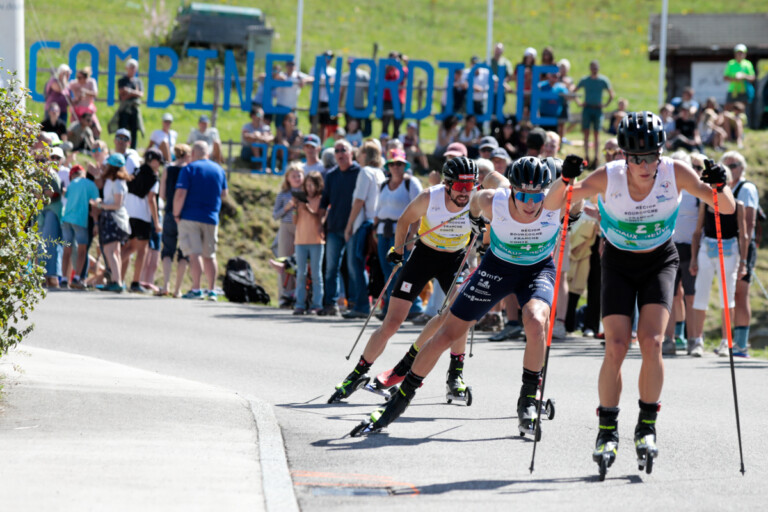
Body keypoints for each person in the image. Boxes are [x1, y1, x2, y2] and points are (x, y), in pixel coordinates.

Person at [543, 111, 735, 477]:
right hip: (617, 262)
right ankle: (606, 431)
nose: (644, 165)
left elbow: (726, 208)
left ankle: (646, 425)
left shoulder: (675, 172)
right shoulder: (609, 176)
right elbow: (555, 203)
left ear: (661, 153)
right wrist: (566, 178)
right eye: (636, 158)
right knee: (615, 346)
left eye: (651, 156)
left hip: (660, 261)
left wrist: (720, 185)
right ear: (625, 157)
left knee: (652, 341)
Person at [351, 157, 572, 436]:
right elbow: (483, 190)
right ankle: (398, 401)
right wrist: (475, 219)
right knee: (445, 333)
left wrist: (571, 195)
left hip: (536, 271)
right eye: (523, 195)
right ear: (513, 190)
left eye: (537, 196)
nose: (530, 204)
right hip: (496, 268)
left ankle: (528, 399)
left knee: (536, 320)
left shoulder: (556, 202)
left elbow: (580, 196)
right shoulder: (495, 199)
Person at [329, 157, 477, 405]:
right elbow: (404, 221)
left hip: (455, 259)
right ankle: (357, 373)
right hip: (424, 256)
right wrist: (398, 251)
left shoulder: (477, 198)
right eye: (460, 187)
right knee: (392, 322)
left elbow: (499, 191)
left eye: (470, 186)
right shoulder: (431, 197)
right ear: (448, 184)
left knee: (460, 312)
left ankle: (455, 377)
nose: (465, 193)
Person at [688, 165, 747, 358]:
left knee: (727, 295)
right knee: (701, 292)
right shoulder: (706, 203)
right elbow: (698, 231)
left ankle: (725, 341)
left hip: (729, 249)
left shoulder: (737, 205)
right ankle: (697, 340)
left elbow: (743, 235)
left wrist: (744, 261)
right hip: (708, 247)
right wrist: (693, 257)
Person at [173, 141, 228, 300]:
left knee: (194, 253)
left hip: (190, 216)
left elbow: (180, 194)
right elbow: (224, 194)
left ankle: (196, 288)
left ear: (193, 154)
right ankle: (212, 290)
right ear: (207, 153)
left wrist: (176, 214)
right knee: (210, 255)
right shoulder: (219, 170)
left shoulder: (189, 169)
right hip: (211, 217)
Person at [373, 148, 424, 317]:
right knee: (387, 271)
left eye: (399, 164)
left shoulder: (411, 183)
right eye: (393, 163)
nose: (396, 167)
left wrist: (412, 235)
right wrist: (374, 229)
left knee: (403, 271)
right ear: (388, 166)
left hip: (402, 234)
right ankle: (390, 308)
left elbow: (418, 211)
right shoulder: (383, 185)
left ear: (405, 165)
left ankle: (413, 306)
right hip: (383, 231)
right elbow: (378, 210)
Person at [340, 141, 386, 318]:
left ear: (365, 155)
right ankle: (366, 303)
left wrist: (349, 225)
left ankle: (361, 305)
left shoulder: (365, 172)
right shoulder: (380, 173)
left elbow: (359, 200)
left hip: (362, 224)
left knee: (355, 265)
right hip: (374, 223)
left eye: (359, 153)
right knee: (367, 266)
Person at [661, 151, 701, 355]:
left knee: (691, 296)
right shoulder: (665, 189)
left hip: (690, 249)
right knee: (670, 295)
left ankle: (694, 339)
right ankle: (670, 339)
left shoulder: (695, 191)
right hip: (669, 247)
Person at [318, 140, 361, 315]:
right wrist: (320, 224)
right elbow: (324, 202)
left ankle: (354, 303)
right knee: (331, 268)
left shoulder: (359, 172)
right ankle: (330, 304)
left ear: (351, 153)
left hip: (353, 228)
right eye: (336, 151)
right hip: (334, 228)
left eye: (343, 150)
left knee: (352, 267)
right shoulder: (331, 175)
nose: (340, 153)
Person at [723, 151, 759, 357]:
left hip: (743, 246)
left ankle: (742, 343)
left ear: (742, 167)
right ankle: (732, 339)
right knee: (731, 293)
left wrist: (744, 256)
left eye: (734, 165)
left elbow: (749, 222)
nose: (731, 169)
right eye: (727, 165)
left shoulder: (746, 189)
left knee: (741, 292)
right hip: (728, 245)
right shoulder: (727, 188)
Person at [121, 147, 162, 293]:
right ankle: (135, 281)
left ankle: (114, 273)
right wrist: (156, 222)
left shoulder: (137, 170)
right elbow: (151, 200)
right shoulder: (154, 177)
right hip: (142, 216)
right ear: (155, 161)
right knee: (141, 250)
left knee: (129, 247)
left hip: (128, 212)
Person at [92, 153, 132, 292]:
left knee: (110, 251)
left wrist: (100, 206)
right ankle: (117, 280)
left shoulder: (118, 182)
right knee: (115, 251)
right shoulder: (113, 181)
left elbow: (117, 204)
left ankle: (117, 281)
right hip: (113, 218)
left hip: (114, 219)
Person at [158, 144, 191, 297]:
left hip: (170, 212)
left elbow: (162, 194)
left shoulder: (168, 169)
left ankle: (165, 285)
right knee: (184, 253)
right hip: (186, 215)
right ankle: (177, 289)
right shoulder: (190, 170)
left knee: (167, 250)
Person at [60, 165, 100, 289]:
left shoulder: (72, 184)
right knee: (82, 250)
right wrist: (96, 222)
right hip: (80, 220)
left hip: (66, 219)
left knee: (67, 251)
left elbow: (66, 195)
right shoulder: (90, 184)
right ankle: (77, 278)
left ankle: (64, 279)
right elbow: (96, 203)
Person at [293, 171, 325, 315]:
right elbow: (295, 222)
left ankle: (317, 304)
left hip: (317, 241)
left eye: (312, 185)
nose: (309, 188)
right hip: (300, 240)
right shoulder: (301, 200)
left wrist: (309, 209)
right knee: (301, 273)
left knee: (316, 274)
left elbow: (321, 220)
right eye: (307, 185)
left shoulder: (321, 199)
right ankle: (299, 304)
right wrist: (295, 208)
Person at [272, 163, 304, 307]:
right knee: (284, 260)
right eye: (293, 176)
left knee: (299, 261)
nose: (297, 178)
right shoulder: (283, 194)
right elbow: (275, 215)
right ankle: (285, 294)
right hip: (286, 228)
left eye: (299, 175)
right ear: (288, 179)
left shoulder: (306, 193)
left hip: (302, 228)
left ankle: (299, 294)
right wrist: (288, 206)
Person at [574, 60, 614, 168]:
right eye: (593, 67)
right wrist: (579, 103)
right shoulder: (585, 80)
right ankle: (586, 156)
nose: (594, 69)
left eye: (596, 67)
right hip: (587, 109)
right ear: (590, 68)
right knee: (586, 133)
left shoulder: (603, 81)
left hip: (597, 110)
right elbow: (575, 91)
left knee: (596, 134)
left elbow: (611, 94)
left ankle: (596, 157)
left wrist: (605, 105)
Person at [274, 59, 313, 129]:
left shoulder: (297, 76)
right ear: (286, 66)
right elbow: (269, 76)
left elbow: (312, 78)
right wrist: (278, 77)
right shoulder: (282, 75)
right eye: (289, 64)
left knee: (292, 128)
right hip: (280, 106)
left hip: (291, 107)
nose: (291, 66)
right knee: (279, 128)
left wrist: (304, 80)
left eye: (292, 64)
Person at [115, 59, 144, 149]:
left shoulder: (138, 81)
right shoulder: (122, 80)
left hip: (134, 109)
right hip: (124, 109)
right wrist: (134, 92)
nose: (132, 70)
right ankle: (120, 147)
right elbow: (122, 95)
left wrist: (129, 91)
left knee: (134, 130)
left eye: (134, 68)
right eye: (131, 67)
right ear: (127, 68)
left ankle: (133, 149)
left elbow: (141, 94)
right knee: (122, 130)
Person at [69, 66, 101, 138]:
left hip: (88, 110)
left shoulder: (91, 82)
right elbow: (65, 89)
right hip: (77, 109)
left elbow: (95, 94)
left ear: (85, 78)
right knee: (74, 129)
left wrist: (86, 92)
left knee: (97, 129)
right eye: (77, 77)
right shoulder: (74, 83)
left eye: (80, 78)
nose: (78, 79)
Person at [723, 44, 756, 110]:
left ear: (745, 54)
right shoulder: (731, 63)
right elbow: (725, 77)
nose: (740, 54)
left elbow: (752, 78)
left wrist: (744, 76)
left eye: (742, 53)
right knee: (728, 109)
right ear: (735, 53)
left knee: (742, 110)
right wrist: (735, 79)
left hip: (743, 91)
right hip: (732, 91)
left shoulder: (748, 64)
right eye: (739, 52)